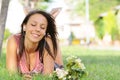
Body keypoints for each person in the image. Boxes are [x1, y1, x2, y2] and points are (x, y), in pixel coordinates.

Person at [6, 10, 63, 77]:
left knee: (54, 42)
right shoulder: (13, 41)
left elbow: (47, 77)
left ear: (45, 31)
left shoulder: (48, 41)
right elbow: (11, 75)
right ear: (24, 26)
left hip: (56, 69)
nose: (38, 29)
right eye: (33, 25)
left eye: (42, 27)